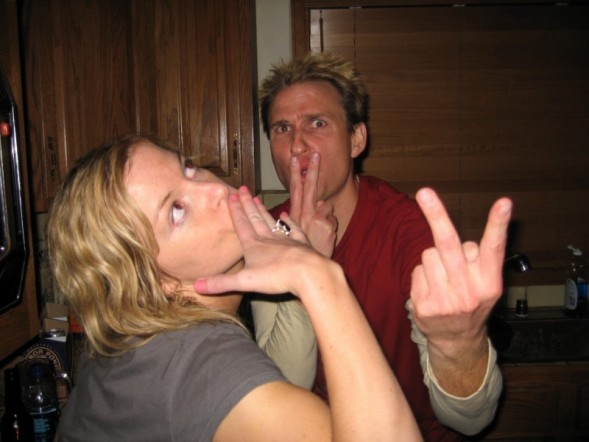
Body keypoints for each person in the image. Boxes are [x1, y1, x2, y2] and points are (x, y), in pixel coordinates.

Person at [47, 135, 425, 441]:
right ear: (152, 283)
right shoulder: (201, 364)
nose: (214, 189)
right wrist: (319, 276)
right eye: (176, 210)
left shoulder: (130, 337)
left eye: (188, 168)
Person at [259, 52, 508, 440]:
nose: (297, 146)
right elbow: (283, 390)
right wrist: (305, 263)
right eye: (282, 128)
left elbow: (470, 419)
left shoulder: (408, 231)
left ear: (356, 139)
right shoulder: (266, 232)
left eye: (317, 123)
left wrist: (460, 345)